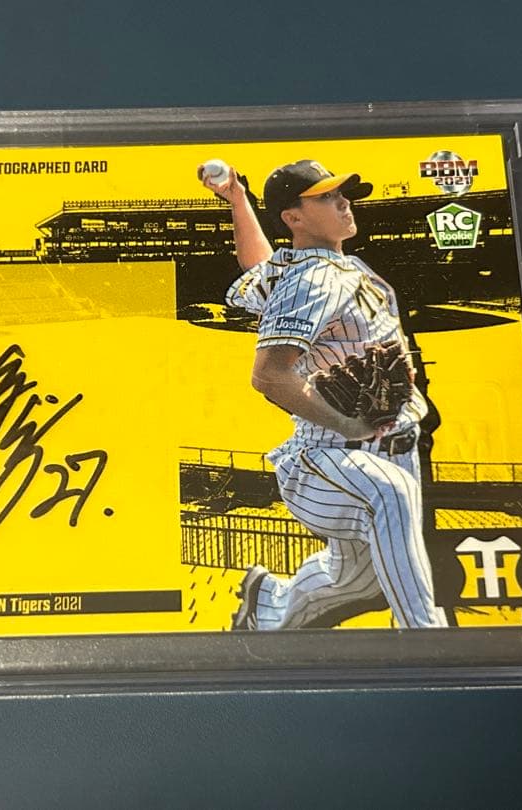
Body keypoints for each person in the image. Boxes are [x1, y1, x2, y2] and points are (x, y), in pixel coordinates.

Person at [200, 159, 447, 630]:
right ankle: (427, 639)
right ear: (294, 217)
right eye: (327, 197)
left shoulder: (320, 267)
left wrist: (238, 200)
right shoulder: (311, 279)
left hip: (390, 448)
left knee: (357, 581)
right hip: (328, 457)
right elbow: (270, 375)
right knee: (388, 495)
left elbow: (257, 266)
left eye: (341, 194)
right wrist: (347, 424)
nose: (344, 203)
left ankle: (267, 605)